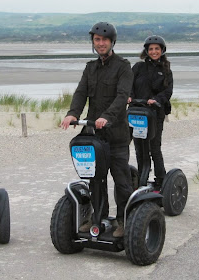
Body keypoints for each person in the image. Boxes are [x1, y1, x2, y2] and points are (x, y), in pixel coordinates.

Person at [61, 22, 134, 237]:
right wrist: (73, 113)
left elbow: (122, 97)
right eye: (97, 40)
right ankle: (97, 217)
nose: (100, 43)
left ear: (112, 42)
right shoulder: (90, 67)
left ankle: (122, 220)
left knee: (121, 180)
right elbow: (80, 92)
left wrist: (106, 117)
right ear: (93, 42)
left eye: (104, 40)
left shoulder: (123, 66)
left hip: (117, 135)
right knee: (95, 179)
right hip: (94, 135)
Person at [128, 35, 173, 191]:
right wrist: (129, 96)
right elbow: (129, 83)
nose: (154, 52)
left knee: (154, 147)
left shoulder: (166, 70)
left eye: (157, 49)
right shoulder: (139, 67)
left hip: (155, 113)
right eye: (151, 49)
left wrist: (156, 100)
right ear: (146, 51)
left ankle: (161, 180)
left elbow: (168, 91)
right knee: (140, 148)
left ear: (162, 50)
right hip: (137, 113)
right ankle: (142, 178)